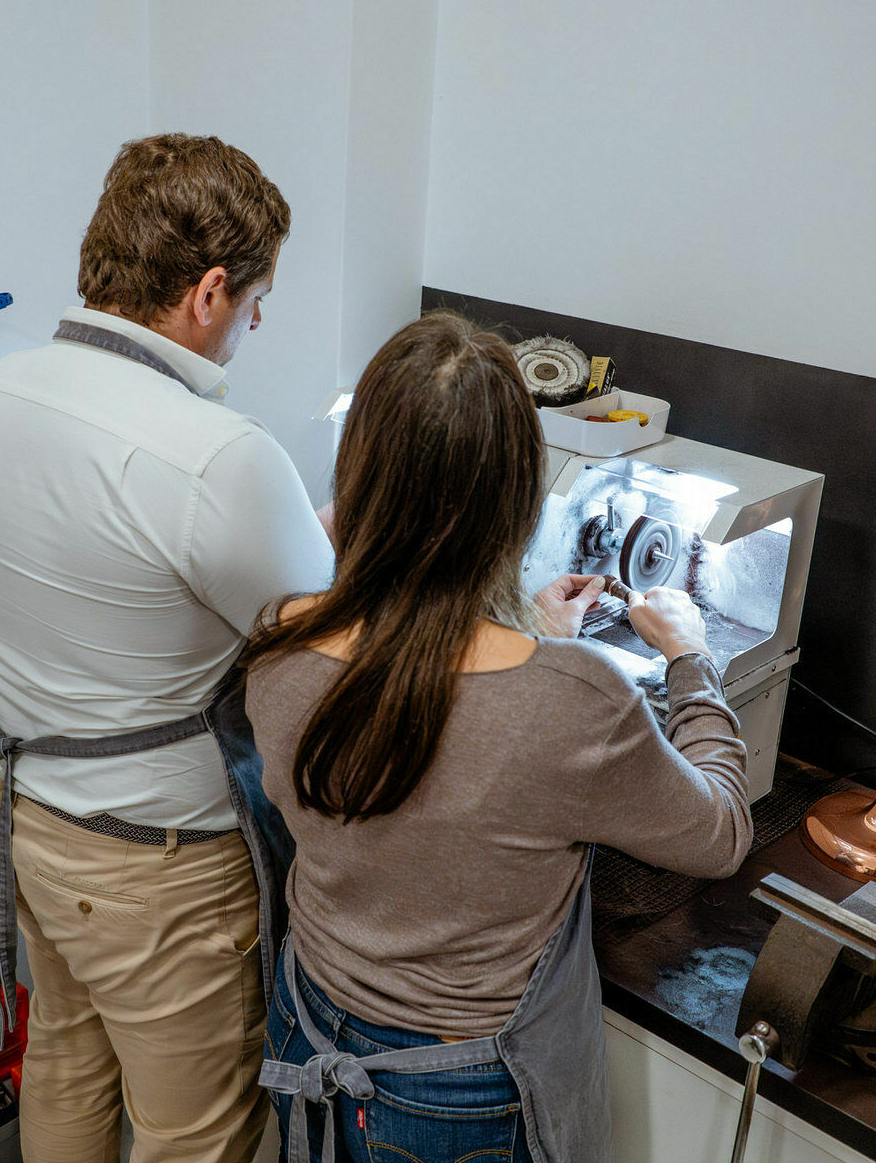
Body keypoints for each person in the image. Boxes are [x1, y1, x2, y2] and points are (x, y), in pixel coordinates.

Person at [243, 313, 753, 1163]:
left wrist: (526, 631)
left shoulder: (280, 640)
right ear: (517, 494)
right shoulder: (573, 696)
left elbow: (414, 690)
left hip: (307, 1028)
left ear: (359, 473)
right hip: (458, 1091)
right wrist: (692, 661)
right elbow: (721, 831)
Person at [0, 133, 335, 1163]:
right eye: (253, 305)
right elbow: (331, 643)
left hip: (28, 824)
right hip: (160, 876)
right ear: (208, 290)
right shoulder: (219, 456)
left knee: (65, 1070)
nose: (252, 327)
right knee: (194, 1138)